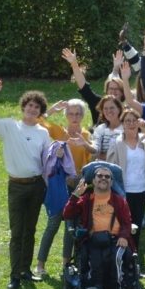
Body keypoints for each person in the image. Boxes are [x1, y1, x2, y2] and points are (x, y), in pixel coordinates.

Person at [0, 79, 52, 289]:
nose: (32, 109)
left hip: (36, 186)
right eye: (29, 105)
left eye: (36, 107)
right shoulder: (9, 126)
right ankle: (15, 276)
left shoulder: (43, 133)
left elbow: (48, 160)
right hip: (17, 187)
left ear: (40, 111)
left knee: (30, 231)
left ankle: (26, 270)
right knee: (17, 232)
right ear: (23, 107)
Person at [35, 99, 93, 278]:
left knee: (71, 227)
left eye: (78, 114)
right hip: (58, 186)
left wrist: (80, 181)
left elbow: (89, 160)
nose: (74, 117)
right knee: (52, 225)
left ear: (82, 116)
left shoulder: (85, 135)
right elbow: (38, 121)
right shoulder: (60, 132)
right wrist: (51, 110)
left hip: (77, 186)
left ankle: (66, 263)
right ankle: (40, 265)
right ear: (66, 116)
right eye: (71, 113)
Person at [62, 166, 134, 289]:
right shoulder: (86, 199)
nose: (103, 178)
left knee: (117, 257)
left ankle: (118, 287)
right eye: (100, 176)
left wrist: (123, 236)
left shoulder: (119, 201)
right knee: (92, 257)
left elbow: (127, 221)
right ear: (93, 180)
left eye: (107, 177)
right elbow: (67, 214)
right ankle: (95, 287)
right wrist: (75, 195)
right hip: (92, 239)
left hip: (115, 239)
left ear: (112, 182)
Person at [105, 109, 145, 252]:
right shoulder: (116, 142)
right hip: (122, 191)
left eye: (134, 120)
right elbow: (110, 168)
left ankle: (133, 257)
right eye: (127, 121)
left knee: (136, 226)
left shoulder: (144, 140)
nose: (131, 124)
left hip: (141, 190)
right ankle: (119, 258)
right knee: (122, 225)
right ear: (122, 124)